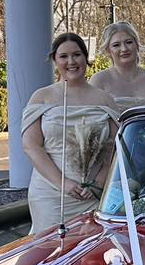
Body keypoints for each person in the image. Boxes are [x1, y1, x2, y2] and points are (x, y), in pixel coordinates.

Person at [22, 32, 120, 235]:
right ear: (55, 60)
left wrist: (99, 182)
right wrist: (63, 183)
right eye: (63, 56)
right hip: (51, 193)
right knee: (49, 251)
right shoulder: (42, 97)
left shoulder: (105, 100)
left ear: (86, 58)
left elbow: (115, 148)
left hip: (92, 193)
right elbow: (32, 146)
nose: (71, 61)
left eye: (76, 55)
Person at [89, 21, 145, 110]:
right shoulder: (98, 81)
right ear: (108, 51)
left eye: (128, 42)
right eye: (116, 45)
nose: (124, 49)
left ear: (137, 45)